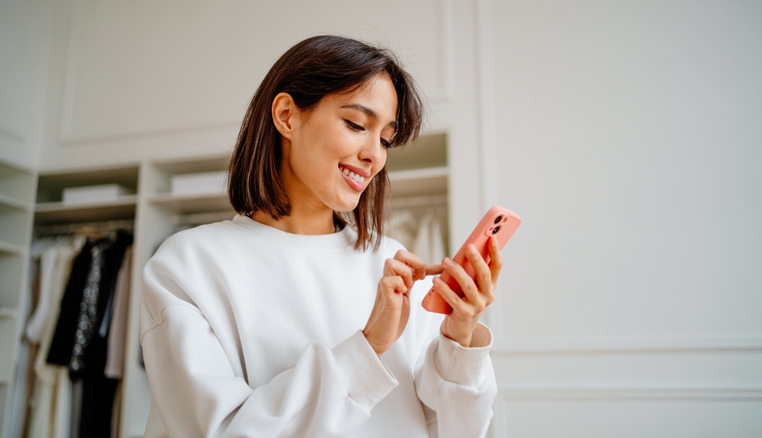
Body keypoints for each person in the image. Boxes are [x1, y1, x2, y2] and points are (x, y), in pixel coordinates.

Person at [140, 35, 502, 437]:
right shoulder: (187, 265)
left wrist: (458, 338)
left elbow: (458, 430)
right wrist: (367, 348)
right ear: (286, 115)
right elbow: (223, 430)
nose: (375, 155)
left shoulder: (393, 265)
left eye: (385, 139)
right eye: (355, 124)